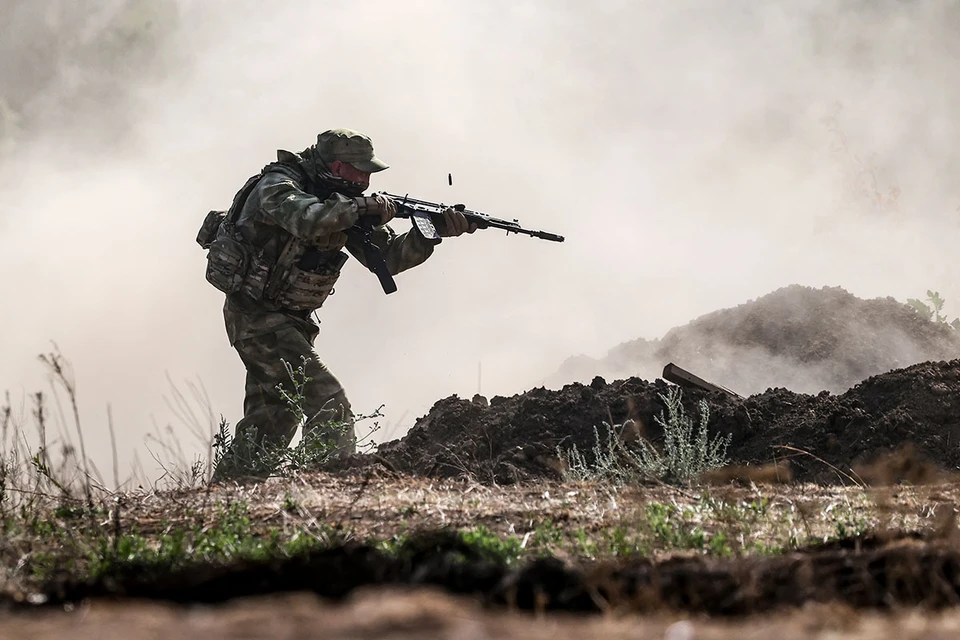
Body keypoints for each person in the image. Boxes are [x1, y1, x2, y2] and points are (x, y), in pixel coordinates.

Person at [202, 128, 475, 481]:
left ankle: (228, 494)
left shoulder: (341, 199)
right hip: (256, 316)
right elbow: (307, 218)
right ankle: (334, 487)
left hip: (290, 320)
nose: (365, 180)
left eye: (369, 173)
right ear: (335, 165)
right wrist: (362, 207)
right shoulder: (279, 184)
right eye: (359, 171)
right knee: (329, 402)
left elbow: (388, 258)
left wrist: (429, 233)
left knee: (272, 419)